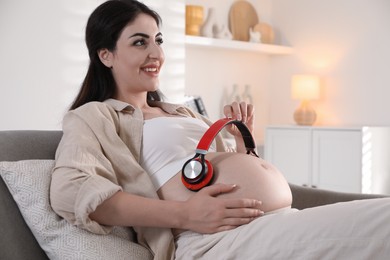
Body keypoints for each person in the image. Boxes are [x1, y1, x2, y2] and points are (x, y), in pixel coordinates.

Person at [50, 1, 390, 259]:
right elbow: (70, 190)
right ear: (106, 55)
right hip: (213, 241)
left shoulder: (179, 111)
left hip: (274, 221)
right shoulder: (93, 117)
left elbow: (217, 173)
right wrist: (185, 214)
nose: (157, 53)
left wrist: (245, 148)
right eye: (140, 42)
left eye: (158, 40)